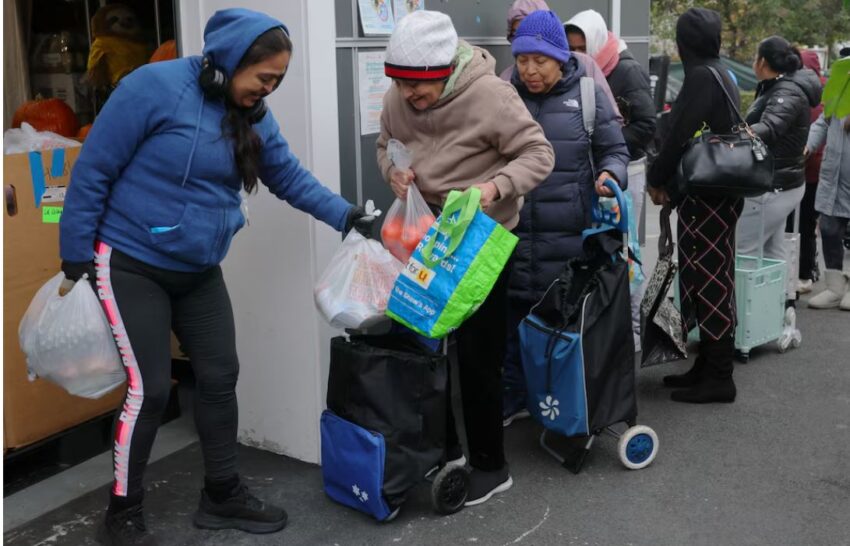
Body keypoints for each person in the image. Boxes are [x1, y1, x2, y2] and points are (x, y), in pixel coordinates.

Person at [59, 9, 375, 545]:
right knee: (149, 390)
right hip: (132, 261)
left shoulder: (250, 113)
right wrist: (75, 253)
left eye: (278, 81)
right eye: (264, 78)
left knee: (220, 376)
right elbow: (94, 170)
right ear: (228, 62)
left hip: (199, 268)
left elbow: (287, 176)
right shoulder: (151, 88)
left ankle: (221, 495)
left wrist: (347, 217)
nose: (269, 90)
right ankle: (122, 515)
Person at [376, 10, 554, 506]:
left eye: (417, 85)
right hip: (426, 234)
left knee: (478, 356)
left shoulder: (492, 95)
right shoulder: (397, 97)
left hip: (482, 237)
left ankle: (491, 467)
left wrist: (494, 188)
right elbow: (386, 145)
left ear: (444, 70)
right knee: (423, 343)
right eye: (400, 84)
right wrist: (392, 172)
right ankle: (445, 449)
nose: (407, 95)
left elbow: (539, 154)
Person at [502, 10, 630, 427]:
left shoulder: (588, 95)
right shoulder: (504, 95)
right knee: (512, 322)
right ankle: (515, 398)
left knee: (561, 323)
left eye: (539, 60)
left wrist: (611, 174)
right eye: (522, 59)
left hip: (569, 236)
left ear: (560, 58)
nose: (529, 70)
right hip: (512, 232)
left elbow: (615, 149)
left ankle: (561, 401)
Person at [647, 7, 742, 404]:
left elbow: (678, 134)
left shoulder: (702, 76)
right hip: (721, 193)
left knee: (709, 279)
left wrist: (656, 178)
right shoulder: (722, 72)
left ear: (684, 43)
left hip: (707, 196)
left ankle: (720, 376)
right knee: (711, 274)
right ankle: (707, 366)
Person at [564, 9, 657, 352]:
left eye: (582, 48)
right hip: (595, 176)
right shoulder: (576, 72)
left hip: (624, 175)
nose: (577, 55)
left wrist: (606, 146)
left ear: (597, 42)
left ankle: (632, 333)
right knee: (600, 251)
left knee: (626, 252)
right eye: (571, 48)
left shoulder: (625, 69)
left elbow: (646, 125)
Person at [736, 36, 822, 333]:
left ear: (762, 62)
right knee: (773, 251)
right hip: (783, 182)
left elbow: (770, 126)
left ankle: (743, 325)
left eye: (755, 57)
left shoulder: (786, 91)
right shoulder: (782, 86)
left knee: (743, 249)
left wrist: (735, 137)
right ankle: (777, 315)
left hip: (773, 184)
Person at [499, 0, 621, 122]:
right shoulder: (506, 80)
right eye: (517, 33)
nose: (530, 70)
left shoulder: (584, 65)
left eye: (540, 61)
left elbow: (610, 121)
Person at [805, 113, 850, 310]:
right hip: (833, 179)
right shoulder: (838, 96)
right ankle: (835, 288)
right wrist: (808, 145)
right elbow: (822, 122)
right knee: (828, 229)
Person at [796, 50, 827, 293]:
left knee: (800, 225)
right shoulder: (825, 90)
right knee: (807, 225)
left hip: (807, 171)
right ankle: (806, 272)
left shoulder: (804, 92)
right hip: (816, 171)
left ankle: (803, 273)